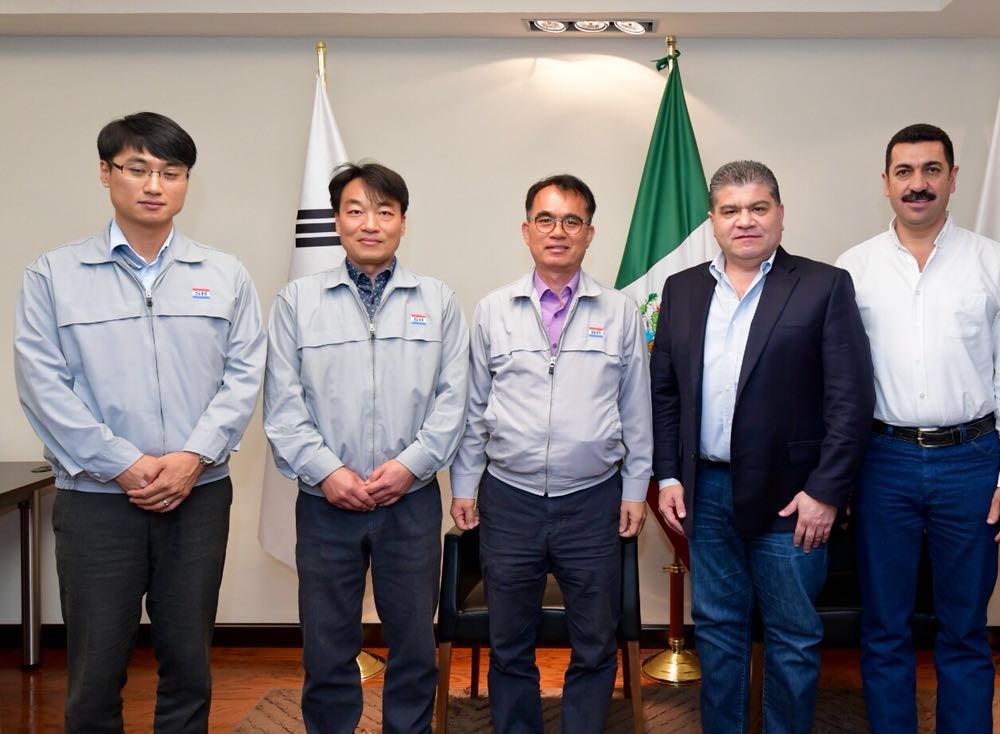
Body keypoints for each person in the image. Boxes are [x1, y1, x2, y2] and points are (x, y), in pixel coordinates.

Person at [14, 112, 266, 733]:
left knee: (189, 662)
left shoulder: (224, 274)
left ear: (186, 182)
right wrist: (123, 465)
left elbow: (243, 376)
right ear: (106, 173)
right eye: (138, 169)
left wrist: (193, 457)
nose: (155, 185)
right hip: (96, 501)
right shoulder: (54, 274)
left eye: (171, 172)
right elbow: (43, 387)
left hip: (197, 494)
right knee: (95, 669)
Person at [651, 160, 875, 732]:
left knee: (793, 636)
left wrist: (826, 492)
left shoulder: (824, 285)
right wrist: (669, 476)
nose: (744, 221)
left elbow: (850, 400)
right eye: (730, 210)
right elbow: (666, 394)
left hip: (792, 497)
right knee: (717, 630)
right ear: (712, 219)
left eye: (757, 208)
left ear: (779, 213)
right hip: (705, 490)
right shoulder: (682, 289)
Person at [835, 123, 1000, 733]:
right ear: (886, 182)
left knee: (965, 625)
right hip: (882, 462)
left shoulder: (994, 263)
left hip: (971, 462)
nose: (917, 184)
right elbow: (838, 383)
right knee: (884, 625)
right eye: (904, 172)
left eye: (931, 170)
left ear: (952, 177)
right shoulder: (853, 269)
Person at [263, 162, 469, 733]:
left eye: (384, 211)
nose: (370, 223)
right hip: (326, 503)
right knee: (327, 646)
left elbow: (455, 400)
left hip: (410, 502)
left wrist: (410, 467)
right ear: (336, 221)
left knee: (414, 644)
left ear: (403, 221)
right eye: (355, 211)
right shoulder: (297, 301)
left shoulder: (438, 300)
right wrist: (328, 473)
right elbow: (282, 405)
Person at [449, 174, 652, 734]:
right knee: (509, 643)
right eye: (545, 219)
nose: (557, 231)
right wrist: (464, 485)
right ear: (526, 230)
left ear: (589, 233)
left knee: (595, 642)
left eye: (571, 221)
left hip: (593, 500)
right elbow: (473, 407)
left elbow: (637, 410)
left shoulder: (620, 312)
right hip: (509, 500)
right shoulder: (493, 310)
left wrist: (636, 488)